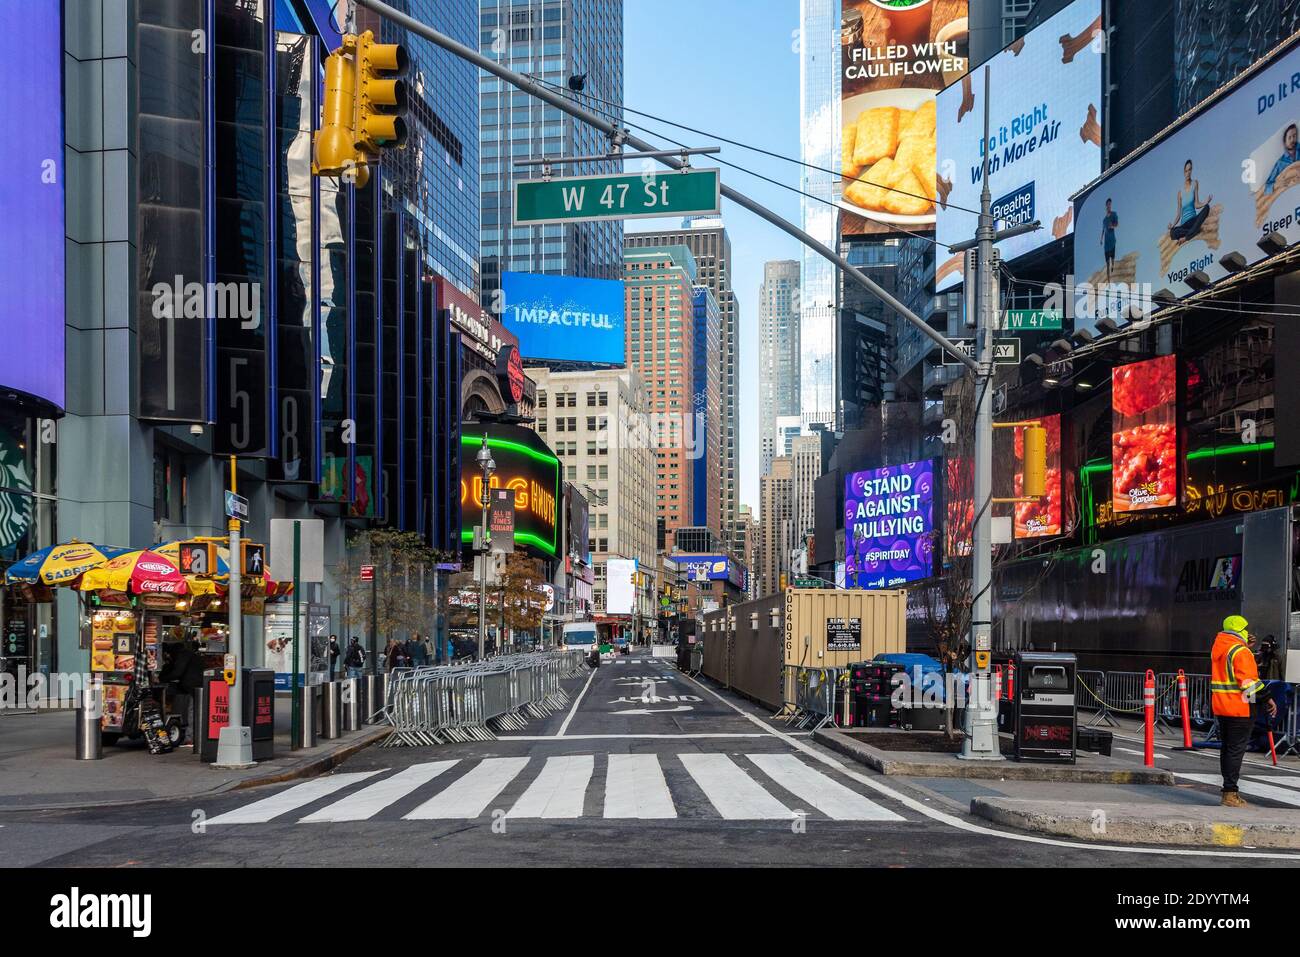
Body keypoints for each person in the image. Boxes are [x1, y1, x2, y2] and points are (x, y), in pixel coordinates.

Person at [1211, 615, 1276, 807]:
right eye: (1245, 629)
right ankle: (1230, 793)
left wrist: (1245, 647)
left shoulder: (1221, 648)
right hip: (1240, 708)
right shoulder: (1240, 652)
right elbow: (1249, 684)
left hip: (1222, 707)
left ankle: (1228, 791)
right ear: (1240, 630)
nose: (1248, 632)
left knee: (1227, 749)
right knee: (1235, 751)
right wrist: (1267, 698)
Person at [1168, 159, 1212, 242]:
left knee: (1207, 207)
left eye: (1189, 170)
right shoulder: (1180, 193)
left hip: (1194, 220)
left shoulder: (1195, 183)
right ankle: (1195, 231)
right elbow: (1178, 214)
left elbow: (1196, 204)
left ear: (1191, 170)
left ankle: (1187, 237)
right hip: (1184, 225)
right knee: (1172, 233)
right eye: (1186, 171)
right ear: (1184, 172)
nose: (1188, 173)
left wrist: (1205, 202)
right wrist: (1173, 225)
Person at [1264, 123, 1299, 194]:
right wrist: (1277, 185)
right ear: (1284, 141)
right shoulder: (1280, 163)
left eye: (1294, 136)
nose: (1292, 139)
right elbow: (1267, 187)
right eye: (1289, 137)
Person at [1100, 198, 1118, 279]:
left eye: (1110, 204)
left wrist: (1112, 226)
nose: (1109, 206)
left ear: (1111, 205)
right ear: (1106, 206)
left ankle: (1113, 267)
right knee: (1107, 262)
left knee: (1112, 259)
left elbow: (1117, 224)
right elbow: (1103, 230)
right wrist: (1101, 239)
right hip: (1106, 243)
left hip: (1112, 241)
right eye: (1108, 204)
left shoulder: (1114, 214)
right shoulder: (1104, 220)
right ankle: (1108, 281)